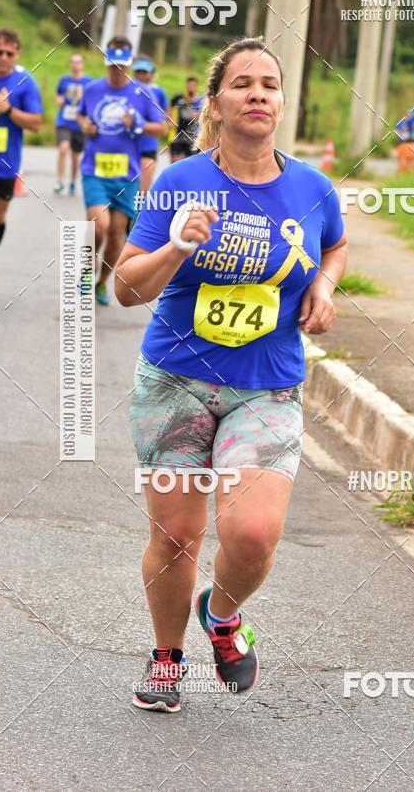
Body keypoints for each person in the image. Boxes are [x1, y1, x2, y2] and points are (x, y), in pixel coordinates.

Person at [114, 36, 347, 712]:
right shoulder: (180, 182)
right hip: (175, 380)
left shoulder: (312, 187)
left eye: (269, 84)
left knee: (251, 533)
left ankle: (222, 613)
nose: (257, 93)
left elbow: (334, 244)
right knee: (176, 533)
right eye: (241, 83)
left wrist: (325, 285)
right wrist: (178, 245)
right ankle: (166, 655)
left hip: (267, 383)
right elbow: (127, 286)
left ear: (281, 101)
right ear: (213, 104)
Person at [76, 37, 166, 305]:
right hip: (95, 170)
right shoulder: (92, 89)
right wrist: (85, 125)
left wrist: (138, 123)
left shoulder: (143, 92)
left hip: (127, 174)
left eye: (122, 66)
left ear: (129, 63)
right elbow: (80, 115)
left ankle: (102, 282)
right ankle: (85, 271)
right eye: (112, 66)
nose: (117, 71)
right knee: (99, 226)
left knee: (117, 235)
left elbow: (161, 128)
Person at [0, 27, 43, 294]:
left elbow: (36, 123)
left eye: (9, 53)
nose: (3, 57)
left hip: (4, 161)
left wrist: (8, 110)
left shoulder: (25, 82)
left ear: (17, 54)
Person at [54, 53, 92, 196]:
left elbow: (92, 99)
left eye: (78, 62)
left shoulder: (88, 81)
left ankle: (72, 182)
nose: (76, 65)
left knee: (76, 156)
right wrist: (59, 100)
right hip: (64, 120)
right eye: (73, 62)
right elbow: (57, 94)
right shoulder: (64, 80)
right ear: (70, 64)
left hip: (79, 123)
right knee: (63, 149)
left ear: (83, 64)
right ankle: (59, 181)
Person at [132, 54, 168, 194]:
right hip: (129, 145)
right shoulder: (126, 90)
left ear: (150, 73)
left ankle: (139, 214)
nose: (141, 75)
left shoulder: (158, 92)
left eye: (145, 71)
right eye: (138, 71)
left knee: (143, 191)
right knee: (128, 190)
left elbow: (165, 114)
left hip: (148, 144)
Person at [169, 76, 204, 162]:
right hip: (176, 135)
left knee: (190, 163)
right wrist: (168, 120)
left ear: (196, 86)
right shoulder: (177, 98)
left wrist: (197, 115)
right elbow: (168, 109)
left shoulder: (201, 100)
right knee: (174, 163)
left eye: (193, 85)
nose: (191, 87)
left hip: (192, 136)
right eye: (189, 85)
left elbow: (205, 114)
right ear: (186, 85)